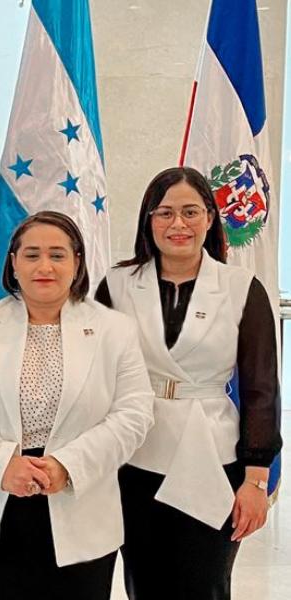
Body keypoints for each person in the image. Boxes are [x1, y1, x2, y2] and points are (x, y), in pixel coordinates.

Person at [95, 166, 282, 600]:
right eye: (164, 213)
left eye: (190, 212)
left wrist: (256, 480)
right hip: (134, 459)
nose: (177, 224)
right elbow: (95, 374)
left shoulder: (241, 287)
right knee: (144, 584)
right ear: (148, 220)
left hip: (214, 457)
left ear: (210, 218)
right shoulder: (118, 285)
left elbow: (261, 390)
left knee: (206, 584)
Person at [0, 211, 154, 600]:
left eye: (57, 255)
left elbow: (134, 413)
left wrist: (67, 465)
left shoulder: (115, 330)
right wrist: (3, 463)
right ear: (13, 262)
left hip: (80, 506)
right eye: (32, 255)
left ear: (77, 262)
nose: (44, 266)